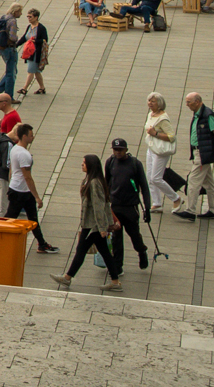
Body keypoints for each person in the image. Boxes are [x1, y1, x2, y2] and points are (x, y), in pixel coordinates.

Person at [50, 155, 122, 290]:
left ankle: (67, 278)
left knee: (81, 250)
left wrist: (102, 227)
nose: (82, 165)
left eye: (84, 163)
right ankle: (115, 281)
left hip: (92, 225)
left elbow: (98, 205)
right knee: (103, 252)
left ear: (91, 165)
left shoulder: (94, 183)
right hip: (91, 224)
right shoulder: (89, 180)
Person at [2, 123, 57, 253]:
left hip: (19, 189)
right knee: (10, 217)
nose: (33, 137)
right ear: (24, 136)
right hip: (21, 191)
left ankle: (42, 244)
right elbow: (27, 177)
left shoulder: (15, 148)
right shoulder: (24, 154)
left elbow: (11, 170)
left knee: (32, 218)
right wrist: (37, 197)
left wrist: (11, 184)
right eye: (31, 135)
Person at [102, 137, 152, 271]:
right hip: (115, 206)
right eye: (115, 149)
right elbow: (106, 183)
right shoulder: (110, 162)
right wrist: (105, 204)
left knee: (134, 236)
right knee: (116, 239)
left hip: (130, 207)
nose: (118, 152)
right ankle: (117, 266)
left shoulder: (135, 164)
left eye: (120, 150)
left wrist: (147, 208)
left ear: (126, 150)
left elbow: (144, 187)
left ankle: (141, 251)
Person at [177, 90, 214, 220]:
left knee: (193, 182)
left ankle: (190, 211)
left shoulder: (207, 115)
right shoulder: (198, 113)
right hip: (199, 152)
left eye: (189, 102)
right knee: (209, 184)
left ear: (197, 102)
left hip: (202, 154)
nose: (187, 105)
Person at [142, 93, 177, 214]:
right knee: (149, 177)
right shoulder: (150, 114)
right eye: (149, 101)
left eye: (153, 101)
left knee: (156, 178)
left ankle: (176, 198)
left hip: (160, 151)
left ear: (160, 103)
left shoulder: (163, 119)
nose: (150, 103)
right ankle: (157, 203)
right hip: (152, 148)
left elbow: (171, 137)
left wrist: (155, 134)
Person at [15, 7, 49, 96]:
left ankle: (24, 88)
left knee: (30, 71)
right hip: (29, 52)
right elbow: (24, 37)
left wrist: (36, 41)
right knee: (37, 71)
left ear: (36, 17)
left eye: (30, 17)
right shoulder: (29, 27)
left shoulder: (41, 28)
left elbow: (45, 40)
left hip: (36, 53)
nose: (29, 18)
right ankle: (42, 88)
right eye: (28, 17)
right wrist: (17, 44)